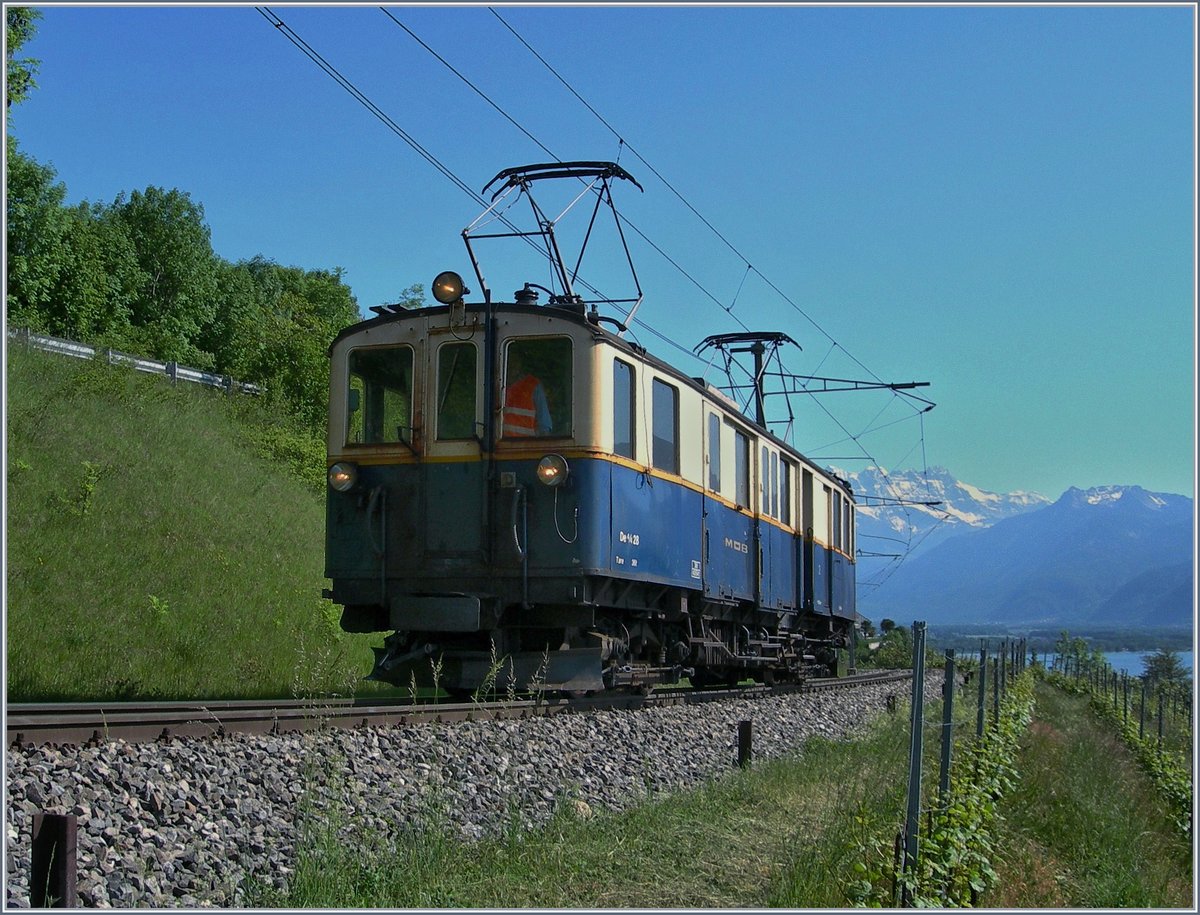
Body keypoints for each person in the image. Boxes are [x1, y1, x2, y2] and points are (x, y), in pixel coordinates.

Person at [503, 349, 552, 436]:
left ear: (520, 364)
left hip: (526, 447)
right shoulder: (495, 385)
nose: (511, 365)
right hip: (498, 447)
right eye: (509, 361)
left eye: (515, 361)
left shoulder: (533, 386)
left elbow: (544, 426)